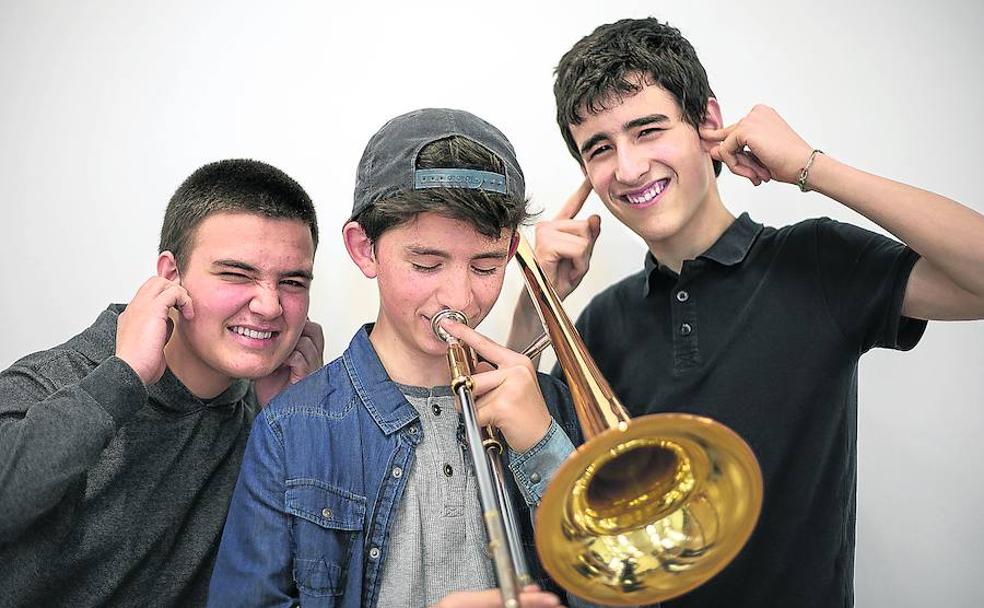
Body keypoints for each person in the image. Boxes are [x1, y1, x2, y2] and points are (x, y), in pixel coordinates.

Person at [508, 17, 984, 608]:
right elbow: (543, 483)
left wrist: (810, 166)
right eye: (599, 148)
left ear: (707, 123)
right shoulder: (602, 320)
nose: (627, 170)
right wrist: (535, 303)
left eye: (648, 130)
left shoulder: (813, 262)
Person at [207, 108, 581, 608]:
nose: (460, 297)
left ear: (512, 250)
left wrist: (545, 451)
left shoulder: (554, 407)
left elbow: (634, 592)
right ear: (364, 249)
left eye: (487, 265)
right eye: (427, 263)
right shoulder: (289, 427)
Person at [0, 159, 326, 607]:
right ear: (171, 275)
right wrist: (123, 379)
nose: (270, 306)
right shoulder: (56, 382)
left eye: (291, 281)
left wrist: (292, 431)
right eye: (236, 273)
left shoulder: (267, 413)